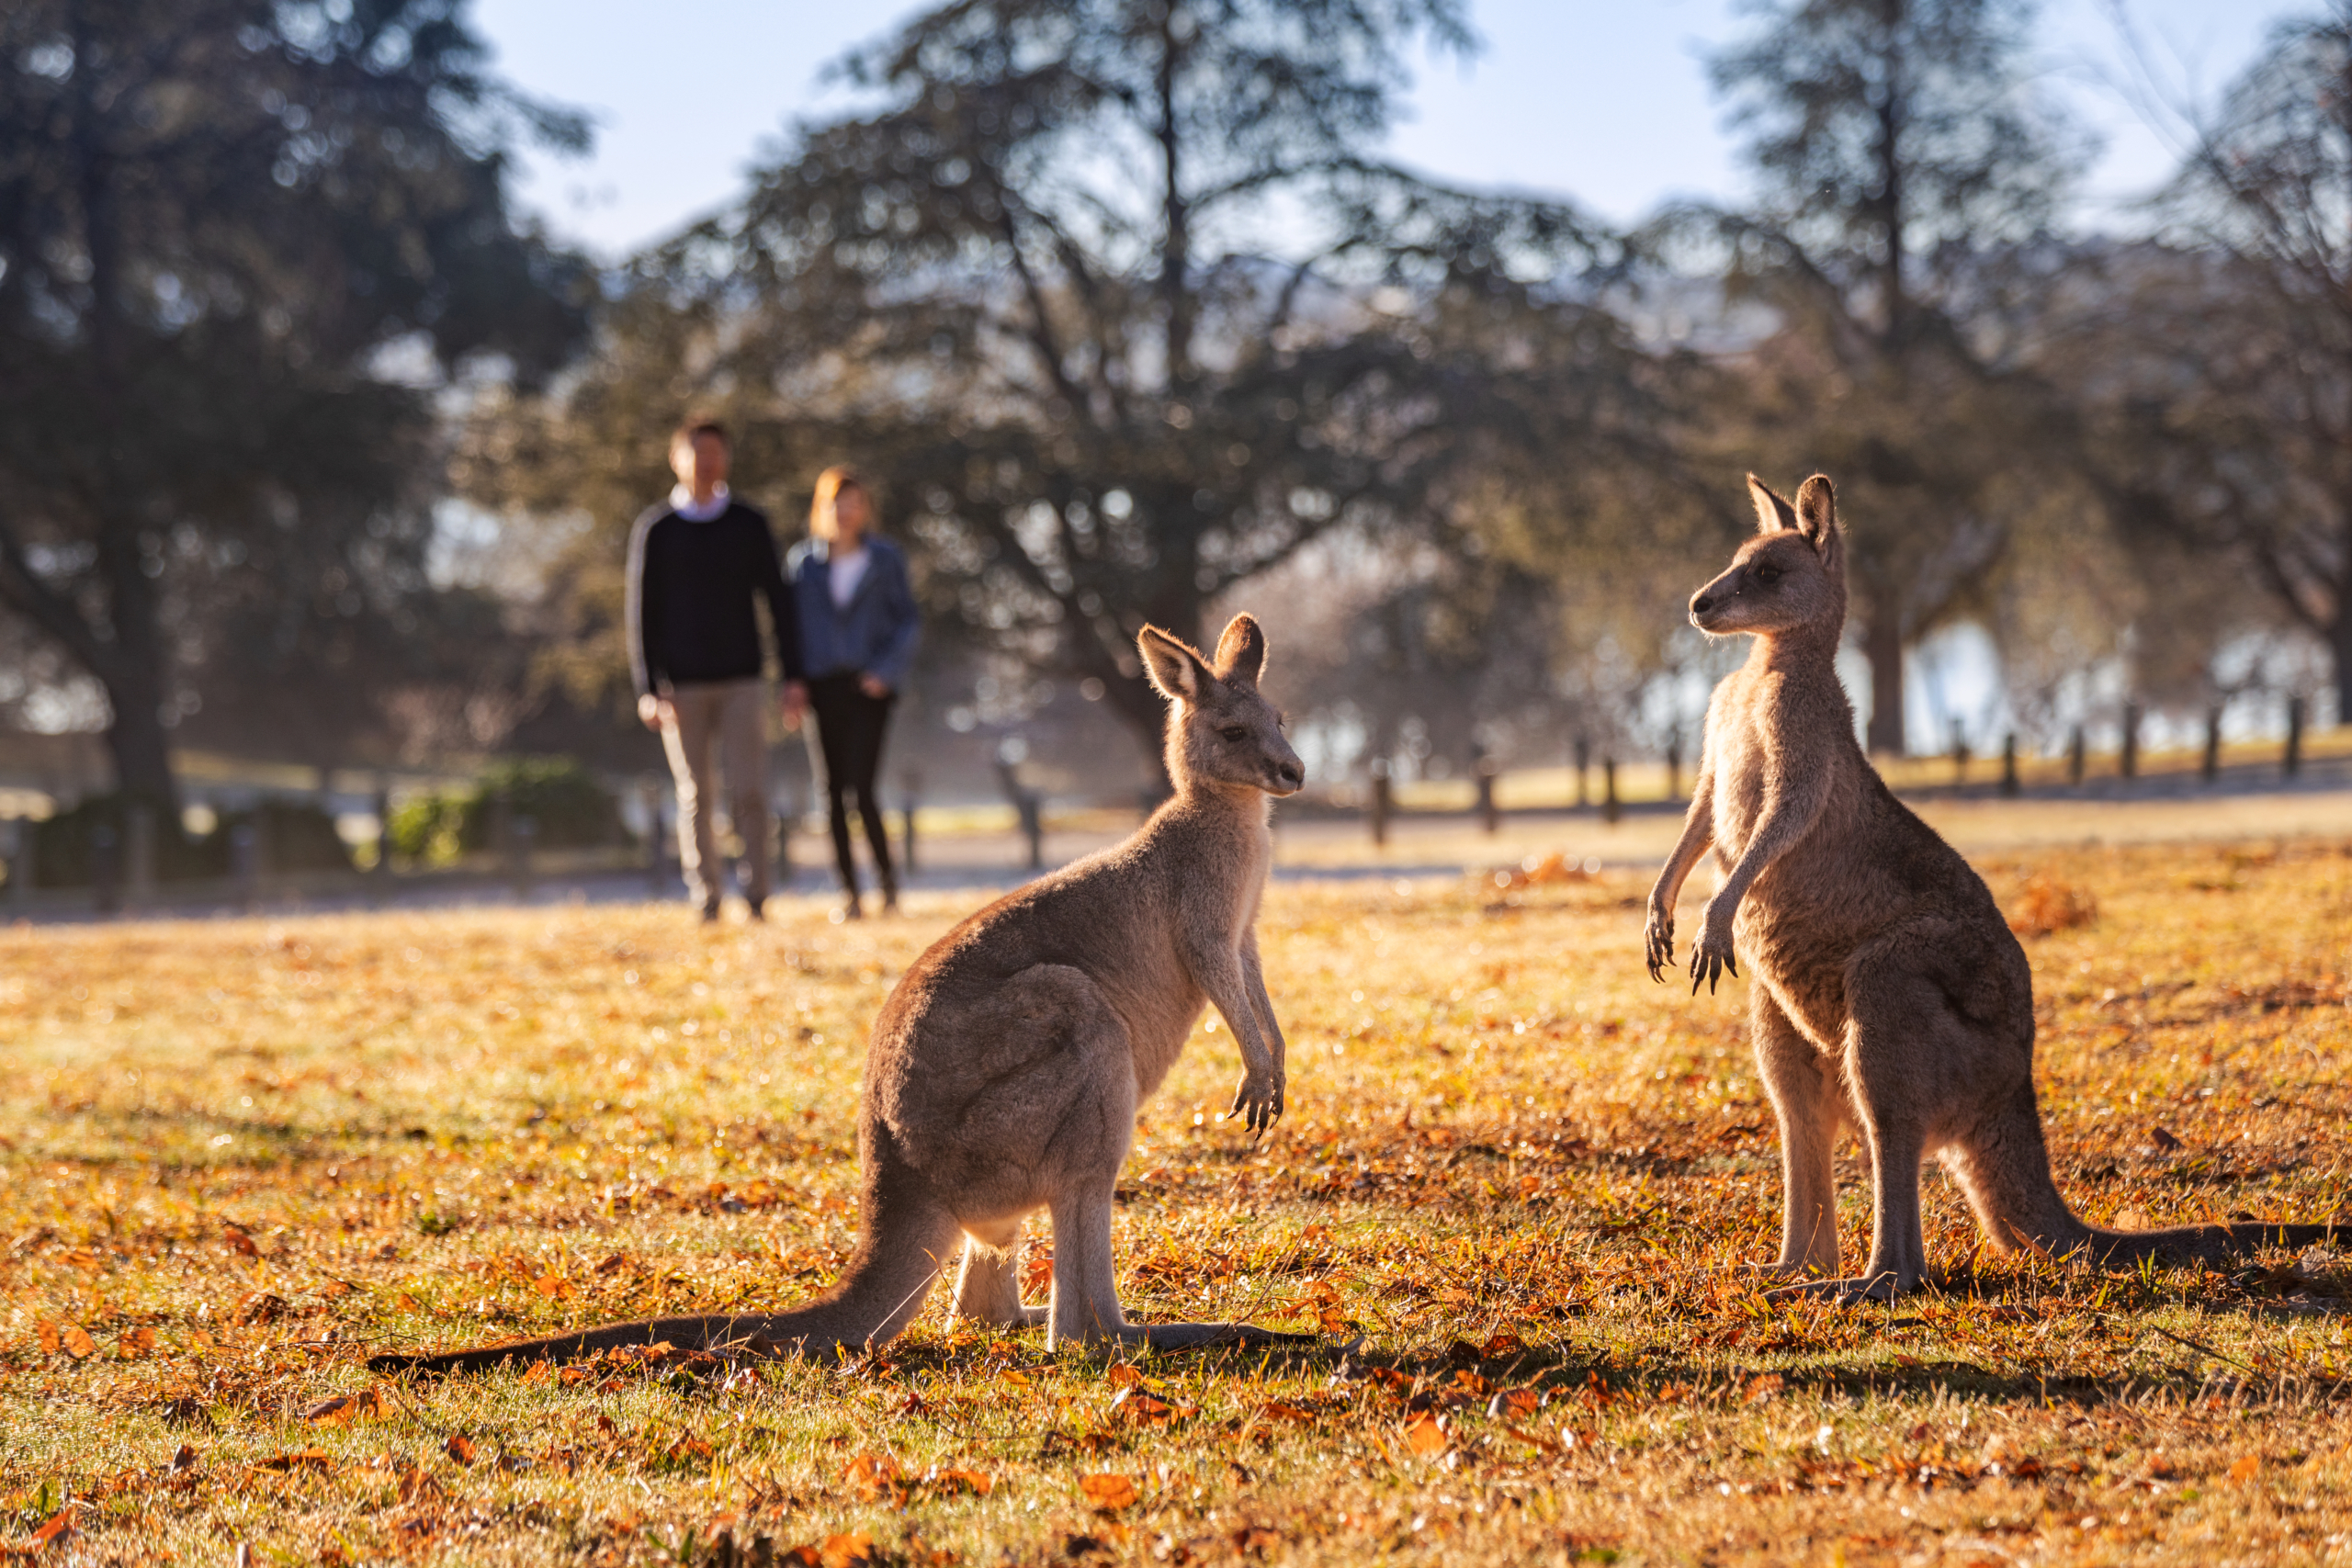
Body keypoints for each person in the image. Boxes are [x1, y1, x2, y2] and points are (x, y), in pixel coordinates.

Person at [626, 421, 806, 921]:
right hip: (679, 685)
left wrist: (793, 675)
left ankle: (758, 895)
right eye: (698, 453)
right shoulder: (657, 529)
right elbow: (641, 613)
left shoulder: (748, 523)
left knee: (750, 788)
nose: (708, 462)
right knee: (696, 793)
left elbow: (778, 601)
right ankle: (706, 895)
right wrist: (648, 687)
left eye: (716, 453)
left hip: (743, 679)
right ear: (676, 460)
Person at [789, 466, 919, 919]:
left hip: (869, 687)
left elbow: (907, 620)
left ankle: (887, 885)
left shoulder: (885, 559)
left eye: (855, 503)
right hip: (822, 689)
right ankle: (849, 893)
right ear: (822, 508)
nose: (846, 512)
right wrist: (794, 684)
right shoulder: (803, 564)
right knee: (830, 793)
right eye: (837, 503)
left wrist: (885, 670)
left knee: (862, 789)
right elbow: (792, 631)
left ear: (865, 509)